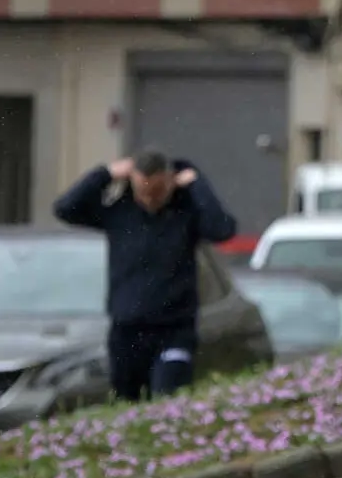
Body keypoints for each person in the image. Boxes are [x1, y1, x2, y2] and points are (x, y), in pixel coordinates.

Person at [53, 149, 237, 401]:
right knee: (127, 404)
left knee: (167, 396)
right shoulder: (118, 213)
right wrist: (105, 174)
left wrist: (197, 182)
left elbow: (222, 229)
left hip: (174, 329)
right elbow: (65, 209)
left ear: (172, 183)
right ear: (132, 182)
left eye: (158, 191)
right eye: (144, 191)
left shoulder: (185, 214)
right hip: (127, 330)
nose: (151, 199)